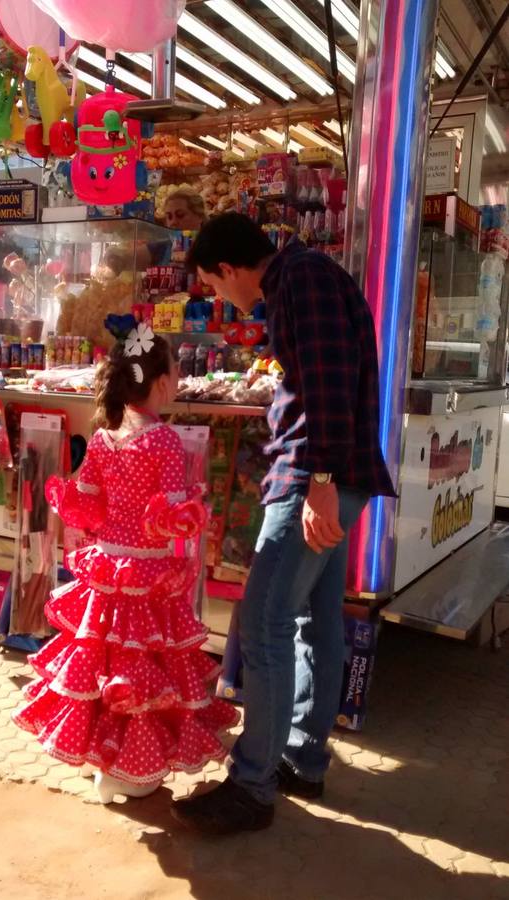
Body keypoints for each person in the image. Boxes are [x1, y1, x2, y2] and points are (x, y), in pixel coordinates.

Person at [173, 213, 395, 835]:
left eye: (215, 286)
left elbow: (325, 386)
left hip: (313, 478)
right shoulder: (304, 277)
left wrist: (319, 484)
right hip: (322, 478)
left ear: (230, 269)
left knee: (267, 621)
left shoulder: (299, 281)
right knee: (309, 617)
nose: (221, 299)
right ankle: (301, 755)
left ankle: (251, 786)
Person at [12, 322, 238, 804]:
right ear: (160, 381)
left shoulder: (103, 438)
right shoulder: (163, 442)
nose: (177, 380)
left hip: (108, 569)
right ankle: (134, 769)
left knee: (103, 667)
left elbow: (87, 508)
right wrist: (199, 510)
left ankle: (104, 763)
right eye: (176, 371)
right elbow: (173, 517)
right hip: (149, 573)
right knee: (146, 672)